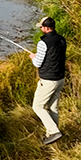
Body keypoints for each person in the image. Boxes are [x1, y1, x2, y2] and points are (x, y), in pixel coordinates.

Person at [29, 16, 67, 145]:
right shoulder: (62, 39)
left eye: (41, 27)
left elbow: (38, 63)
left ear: (46, 28)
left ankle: (53, 132)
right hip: (60, 79)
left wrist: (33, 57)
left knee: (37, 106)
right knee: (52, 107)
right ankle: (53, 137)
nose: (40, 28)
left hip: (48, 80)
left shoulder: (43, 43)